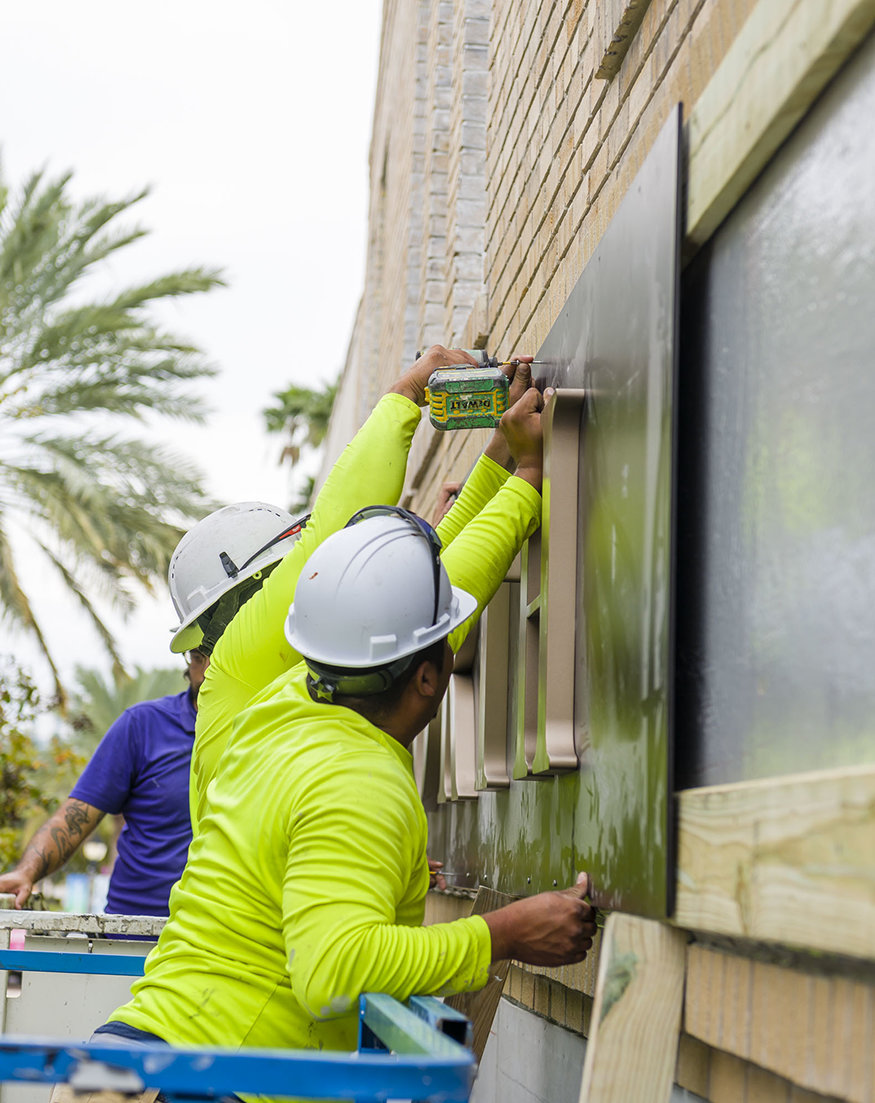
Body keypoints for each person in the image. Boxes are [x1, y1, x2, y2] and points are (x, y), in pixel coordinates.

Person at [95, 383, 597, 1077]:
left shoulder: (273, 705)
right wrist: (502, 933)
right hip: (209, 1084)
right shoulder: (354, 775)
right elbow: (333, 969)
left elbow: (413, 597)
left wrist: (502, 467)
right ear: (428, 676)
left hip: (132, 1061)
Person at [171, 346, 535, 830]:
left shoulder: (277, 693)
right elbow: (426, 602)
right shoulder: (259, 678)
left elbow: (417, 586)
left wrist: (504, 458)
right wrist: (405, 396)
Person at [0, 650, 209, 916]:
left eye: (218, 652)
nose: (206, 668)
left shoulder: (259, 730)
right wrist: (26, 872)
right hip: (131, 931)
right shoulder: (143, 725)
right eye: (199, 655)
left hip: (221, 935)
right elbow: (75, 817)